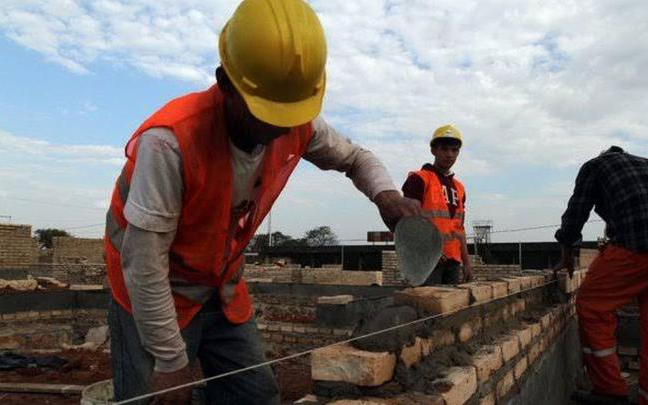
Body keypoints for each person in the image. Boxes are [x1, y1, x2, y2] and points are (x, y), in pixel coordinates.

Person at [103, 0, 420, 403]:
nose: (279, 128)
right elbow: (144, 262)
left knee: (255, 395)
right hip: (151, 288)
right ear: (225, 83)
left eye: (290, 114)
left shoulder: (294, 122)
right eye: (266, 113)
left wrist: (387, 196)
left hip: (221, 285)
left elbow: (357, 158)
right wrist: (169, 361)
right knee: (156, 399)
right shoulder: (170, 143)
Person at [554, 146, 648, 405]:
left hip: (639, 244)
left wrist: (567, 248)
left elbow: (577, 211)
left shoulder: (596, 166)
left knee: (592, 305)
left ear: (603, 155)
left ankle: (609, 389)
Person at [402, 124, 472, 285]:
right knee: (428, 307)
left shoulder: (459, 188)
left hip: (452, 262)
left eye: (454, 150)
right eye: (445, 149)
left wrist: (466, 263)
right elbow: (408, 221)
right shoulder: (419, 179)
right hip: (426, 260)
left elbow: (459, 229)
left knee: (450, 306)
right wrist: (429, 249)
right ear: (434, 150)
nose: (449, 154)